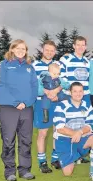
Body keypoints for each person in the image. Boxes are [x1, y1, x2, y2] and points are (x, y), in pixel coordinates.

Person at [0, 39, 38, 181]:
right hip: (9, 108)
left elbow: (34, 87)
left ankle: (25, 170)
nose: (21, 51)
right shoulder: (3, 65)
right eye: (18, 48)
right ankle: (10, 171)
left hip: (26, 109)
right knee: (8, 140)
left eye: (23, 49)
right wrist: (15, 102)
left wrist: (27, 102)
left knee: (26, 140)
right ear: (12, 49)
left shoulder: (29, 67)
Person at [53, 82, 93, 181]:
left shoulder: (87, 105)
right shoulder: (61, 106)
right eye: (75, 91)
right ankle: (72, 155)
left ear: (83, 93)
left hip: (81, 137)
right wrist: (75, 134)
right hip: (65, 140)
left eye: (80, 91)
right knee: (67, 173)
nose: (78, 94)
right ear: (70, 93)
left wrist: (79, 132)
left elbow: (90, 124)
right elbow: (59, 127)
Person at [31, 40, 67, 172]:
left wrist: (56, 91)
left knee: (57, 131)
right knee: (43, 132)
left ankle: (55, 159)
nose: (49, 52)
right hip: (42, 102)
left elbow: (63, 82)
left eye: (52, 50)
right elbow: (33, 85)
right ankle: (42, 162)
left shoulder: (58, 65)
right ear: (42, 50)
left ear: (55, 52)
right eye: (47, 50)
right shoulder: (34, 65)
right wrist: (47, 92)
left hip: (57, 102)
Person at [59, 36, 91, 104]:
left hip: (85, 95)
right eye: (78, 45)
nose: (80, 47)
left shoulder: (87, 62)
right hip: (69, 95)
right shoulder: (65, 59)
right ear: (74, 46)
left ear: (85, 47)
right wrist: (72, 91)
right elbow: (61, 77)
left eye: (83, 45)